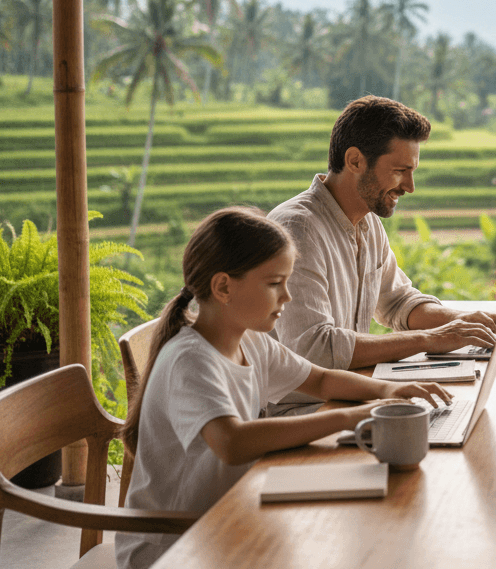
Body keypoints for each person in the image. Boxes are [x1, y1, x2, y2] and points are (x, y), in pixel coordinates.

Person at [116, 207, 451, 569]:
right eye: (275, 283)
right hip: (176, 544)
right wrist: (350, 418)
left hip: (231, 516)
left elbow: (320, 379)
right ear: (224, 286)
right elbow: (233, 442)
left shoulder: (251, 342)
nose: (287, 297)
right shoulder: (190, 360)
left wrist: (387, 391)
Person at [267, 96, 496, 414]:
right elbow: (313, 349)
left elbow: (398, 303)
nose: (410, 186)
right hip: (300, 411)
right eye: (400, 171)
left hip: (351, 397)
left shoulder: (368, 222)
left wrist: (465, 323)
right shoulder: (298, 228)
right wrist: (430, 339)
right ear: (355, 161)